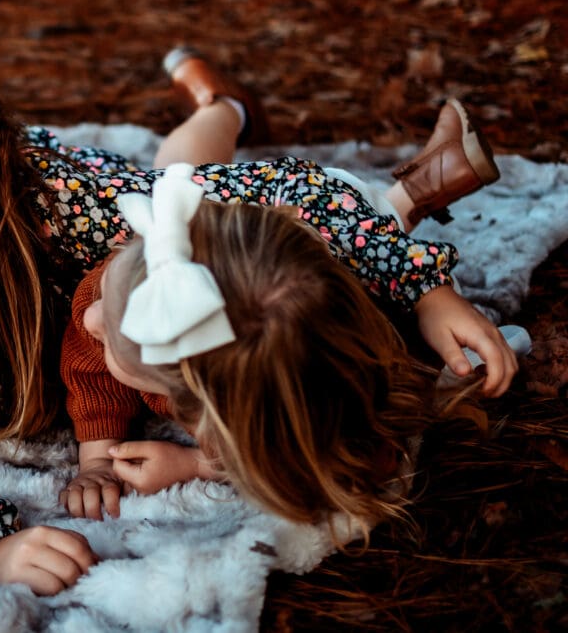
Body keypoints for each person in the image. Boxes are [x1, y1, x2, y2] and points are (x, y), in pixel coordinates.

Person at [0, 2, 510, 595]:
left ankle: (221, 110)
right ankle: (218, 103)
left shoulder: (36, 190)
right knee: (167, 174)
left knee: (175, 187)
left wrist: (424, 286)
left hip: (133, 240)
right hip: (123, 256)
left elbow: (268, 198)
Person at [58, 51, 518, 534]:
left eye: (110, 335)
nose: (89, 317)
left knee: (368, 218)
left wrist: (196, 466)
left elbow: (294, 463)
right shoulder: (149, 277)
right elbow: (91, 363)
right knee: (176, 170)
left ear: (206, 405)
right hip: (316, 216)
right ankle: (226, 109)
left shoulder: (292, 395)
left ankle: (413, 186)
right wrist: (96, 458)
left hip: (340, 236)